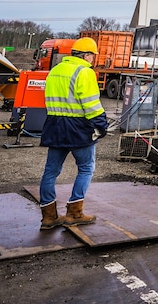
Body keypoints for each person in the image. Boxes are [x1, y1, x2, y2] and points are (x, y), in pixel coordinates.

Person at [38, 37, 110, 229]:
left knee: (50, 171)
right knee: (86, 168)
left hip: (54, 125)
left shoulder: (55, 70)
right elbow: (92, 105)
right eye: (93, 56)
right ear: (86, 55)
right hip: (78, 128)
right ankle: (74, 213)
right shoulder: (84, 72)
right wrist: (102, 126)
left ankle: (48, 217)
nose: (93, 60)